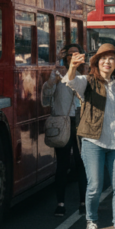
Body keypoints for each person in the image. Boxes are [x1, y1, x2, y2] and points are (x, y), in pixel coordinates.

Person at [64, 43, 115, 229]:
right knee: (94, 185)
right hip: (93, 141)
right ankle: (92, 221)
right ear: (97, 63)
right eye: (103, 58)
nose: (107, 62)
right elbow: (70, 82)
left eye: (111, 59)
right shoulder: (87, 82)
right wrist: (72, 66)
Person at [44, 43, 87, 217]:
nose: (73, 57)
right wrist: (50, 83)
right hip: (64, 122)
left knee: (81, 163)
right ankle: (60, 204)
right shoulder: (58, 74)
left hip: (82, 121)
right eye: (69, 55)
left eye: (76, 54)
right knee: (62, 165)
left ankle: (84, 202)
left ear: (82, 56)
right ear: (65, 57)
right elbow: (46, 98)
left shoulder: (87, 75)